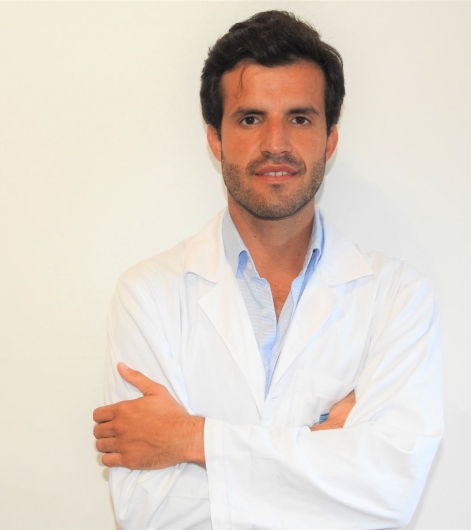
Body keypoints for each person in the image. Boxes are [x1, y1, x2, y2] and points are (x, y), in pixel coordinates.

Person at [93, 10, 443, 529]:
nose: (276, 143)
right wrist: (321, 451)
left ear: (330, 139)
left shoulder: (397, 298)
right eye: (251, 119)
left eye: (299, 118)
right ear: (215, 139)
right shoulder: (147, 295)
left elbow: (389, 495)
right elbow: (152, 512)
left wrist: (193, 439)